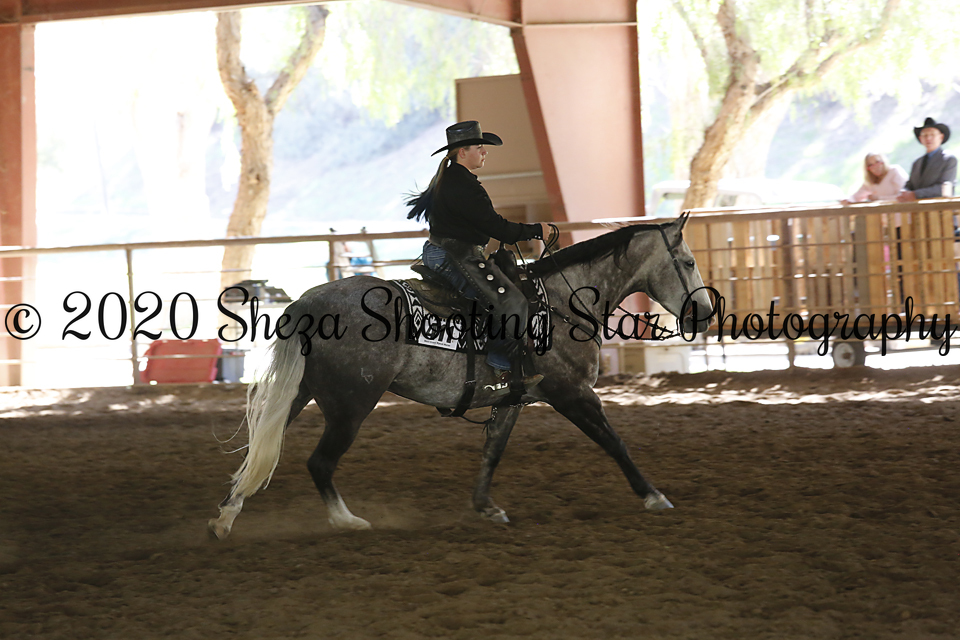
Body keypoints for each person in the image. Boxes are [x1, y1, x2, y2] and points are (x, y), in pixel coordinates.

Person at [406, 121, 544, 386]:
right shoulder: (464, 185)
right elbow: (495, 227)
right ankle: (501, 369)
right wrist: (536, 230)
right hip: (454, 256)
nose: (484, 152)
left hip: (444, 252)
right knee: (511, 301)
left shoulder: (450, 179)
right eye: (479, 147)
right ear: (462, 152)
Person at [896, 117, 957, 202]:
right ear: (920, 139)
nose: (928, 138)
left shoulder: (948, 159)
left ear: (941, 137)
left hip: (940, 207)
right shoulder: (917, 163)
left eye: (932, 134)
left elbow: (944, 187)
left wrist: (915, 194)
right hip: (918, 208)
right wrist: (904, 192)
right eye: (925, 135)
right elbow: (910, 185)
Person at [840, 153, 907, 205]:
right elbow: (856, 197)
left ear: (883, 162)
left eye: (877, 162)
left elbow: (904, 196)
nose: (875, 167)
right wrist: (846, 200)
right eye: (871, 165)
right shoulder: (870, 181)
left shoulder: (894, 171)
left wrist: (878, 198)